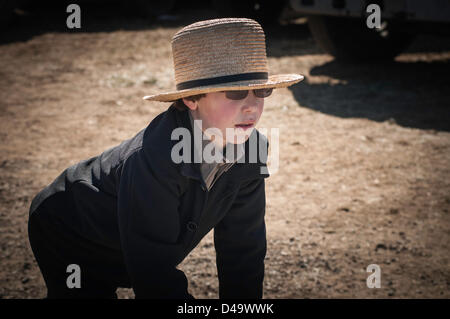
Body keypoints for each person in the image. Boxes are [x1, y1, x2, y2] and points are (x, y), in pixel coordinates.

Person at [27, 17, 304, 299]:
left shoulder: (253, 148)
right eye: (235, 92)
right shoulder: (154, 158)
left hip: (130, 245)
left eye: (262, 91)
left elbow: (243, 246)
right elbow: (154, 273)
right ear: (191, 99)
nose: (252, 106)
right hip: (71, 229)